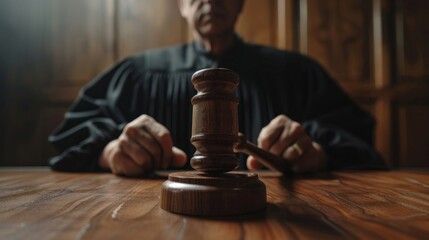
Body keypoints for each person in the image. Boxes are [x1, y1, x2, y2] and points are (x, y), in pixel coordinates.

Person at [48, 0, 386, 177]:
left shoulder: (297, 72)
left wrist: (316, 151)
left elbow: (359, 142)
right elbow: (67, 142)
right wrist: (111, 153)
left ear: (240, 3)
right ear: (181, 4)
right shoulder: (135, 74)